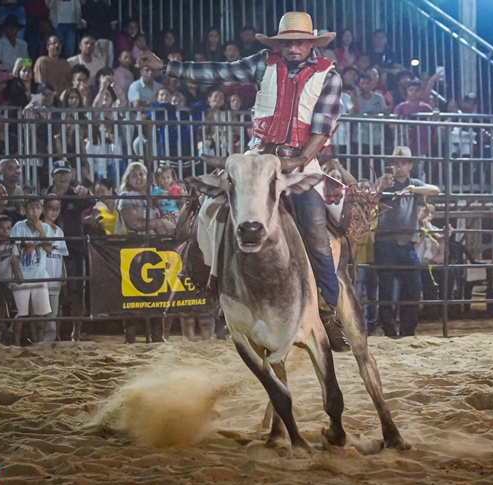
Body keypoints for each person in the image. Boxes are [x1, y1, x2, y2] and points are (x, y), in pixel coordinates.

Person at [136, 11, 350, 351]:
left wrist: (299, 160)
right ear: (280, 44)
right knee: (210, 209)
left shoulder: (329, 75)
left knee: (316, 232)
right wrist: (168, 66)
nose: (293, 47)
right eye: (287, 42)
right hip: (257, 155)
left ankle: (328, 311)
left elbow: (322, 129)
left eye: (299, 41)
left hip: (300, 161)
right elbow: (218, 71)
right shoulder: (262, 63)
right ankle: (220, 286)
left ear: (311, 43)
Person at [375, 147, 440, 337]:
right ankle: (390, 331)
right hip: (386, 243)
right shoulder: (385, 182)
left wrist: (412, 189)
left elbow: (435, 190)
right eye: (396, 163)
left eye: (403, 163)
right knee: (386, 289)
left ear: (410, 165)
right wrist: (381, 189)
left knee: (412, 288)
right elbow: (370, 200)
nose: (399, 167)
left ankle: (406, 331)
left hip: (405, 244)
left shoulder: (414, 184)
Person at [45, 161, 94, 341]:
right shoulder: (46, 195)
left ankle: (76, 332)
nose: (63, 176)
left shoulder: (76, 194)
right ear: (53, 176)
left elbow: (91, 201)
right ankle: (54, 333)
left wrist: (86, 192)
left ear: (71, 174)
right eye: (59, 173)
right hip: (52, 250)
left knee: (76, 292)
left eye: (66, 173)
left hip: (74, 249)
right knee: (53, 291)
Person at [10, 197, 53, 345]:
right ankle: (16, 343)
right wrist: (17, 273)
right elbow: (13, 253)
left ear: (42, 210)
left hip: (39, 276)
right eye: (31, 208)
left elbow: (48, 249)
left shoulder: (46, 228)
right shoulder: (19, 227)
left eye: (38, 208)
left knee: (40, 316)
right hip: (23, 274)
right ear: (25, 210)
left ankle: (39, 343)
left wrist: (40, 228)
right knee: (20, 314)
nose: (35, 211)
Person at [116, 161, 174, 235]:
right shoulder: (126, 196)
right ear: (128, 179)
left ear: (147, 177)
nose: (138, 177)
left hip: (154, 243)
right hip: (133, 244)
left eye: (141, 174)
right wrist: (162, 222)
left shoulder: (152, 198)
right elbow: (135, 224)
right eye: (134, 175)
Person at [42, 195, 67, 342]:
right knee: (40, 313)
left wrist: (63, 272)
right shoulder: (38, 228)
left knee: (53, 313)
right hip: (41, 276)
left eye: (57, 208)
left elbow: (62, 254)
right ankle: (39, 341)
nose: (54, 212)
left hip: (55, 276)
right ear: (44, 209)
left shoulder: (59, 231)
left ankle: (48, 341)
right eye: (51, 208)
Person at [352, 73, 387, 176]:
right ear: (359, 85)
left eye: (368, 83)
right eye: (363, 83)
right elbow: (353, 114)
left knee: (377, 163)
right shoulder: (356, 98)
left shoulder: (379, 97)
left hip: (376, 136)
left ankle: (378, 185)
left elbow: (386, 113)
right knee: (361, 163)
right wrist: (354, 100)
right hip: (360, 136)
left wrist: (377, 114)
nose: (365, 86)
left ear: (372, 85)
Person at [0, 214, 15, 343]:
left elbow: (15, 261)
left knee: (2, 302)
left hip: (7, 282)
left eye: (8, 228)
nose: (5, 231)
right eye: (1, 228)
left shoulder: (13, 244)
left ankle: (0, 333)